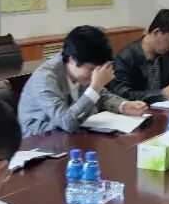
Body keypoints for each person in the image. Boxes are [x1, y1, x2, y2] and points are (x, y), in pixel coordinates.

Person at [18, 26, 148, 136]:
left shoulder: (79, 71)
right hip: (39, 142)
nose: (95, 75)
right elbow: (66, 122)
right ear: (72, 59)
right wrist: (95, 87)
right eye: (91, 69)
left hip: (71, 137)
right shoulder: (45, 78)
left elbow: (101, 96)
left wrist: (124, 106)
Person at [108, 9, 169, 103]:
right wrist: (161, 93)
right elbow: (122, 94)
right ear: (156, 32)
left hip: (161, 107)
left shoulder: (162, 54)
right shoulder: (125, 58)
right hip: (139, 110)